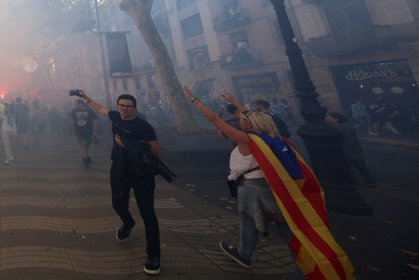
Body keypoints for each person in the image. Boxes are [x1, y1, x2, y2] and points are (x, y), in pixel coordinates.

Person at [184, 86, 354, 279]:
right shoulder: (273, 139)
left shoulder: (247, 140)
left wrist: (193, 99)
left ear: (248, 125)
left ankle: (296, 270)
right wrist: (233, 101)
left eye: (242, 120)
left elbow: (214, 119)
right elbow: (252, 116)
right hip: (274, 186)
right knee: (282, 225)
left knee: (254, 220)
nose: (240, 121)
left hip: (252, 187)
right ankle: (280, 262)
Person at [75, 91, 162, 275]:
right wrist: (86, 98)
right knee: (117, 203)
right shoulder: (115, 117)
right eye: (121, 105)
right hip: (120, 168)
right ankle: (128, 222)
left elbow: (155, 151)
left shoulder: (144, 126)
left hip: (141, 172)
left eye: (128, 106)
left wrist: (128, 145)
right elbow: (100, 109)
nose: (124, 109)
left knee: (147, 213)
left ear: (135, 109)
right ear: (117, 107)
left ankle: (154, 255)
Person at [328, 112, 376, 188]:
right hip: (355, 149)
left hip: (346, 150)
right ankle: (371, 181)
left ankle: (355, 184)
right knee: (361, 167)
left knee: (349, 169)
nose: (328, 119)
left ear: (336, 119)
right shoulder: (348, 125)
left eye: (330, 117)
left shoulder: (336, 127)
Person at [69, 99, 99, 168]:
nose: (75, 105)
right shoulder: (74, 111)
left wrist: (95, 130)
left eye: (76, 104)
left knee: (87, 144)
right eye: (75, 104)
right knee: (83, 145)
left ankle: (86, 157)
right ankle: (85, 159)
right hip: (79, 131)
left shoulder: (89, 111)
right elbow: (72, 120)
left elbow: (95, 120)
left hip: (89, 131)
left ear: (81, 104)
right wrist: (73, 129)